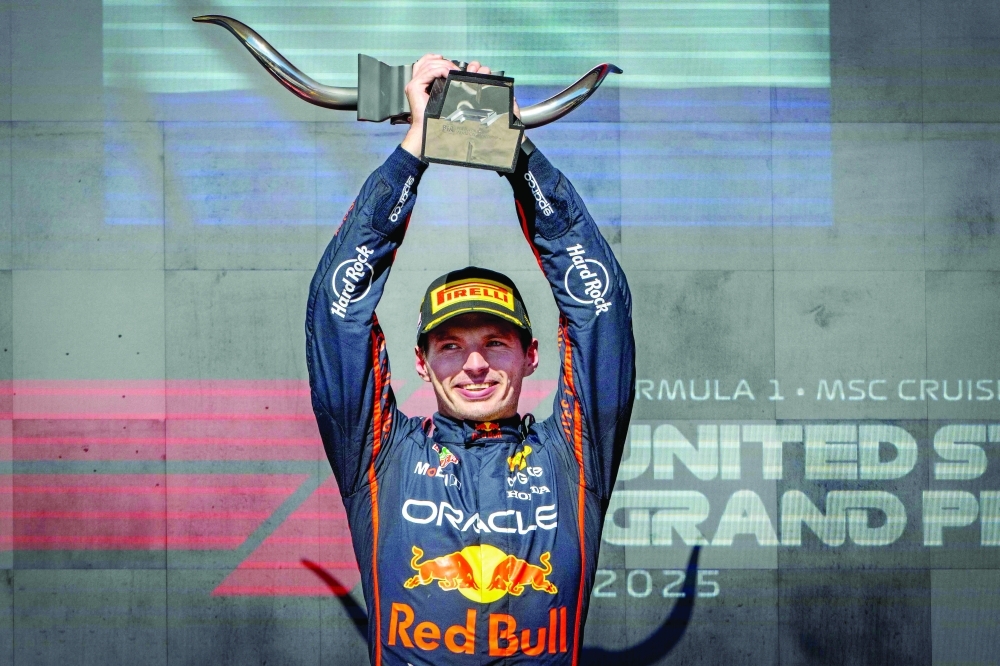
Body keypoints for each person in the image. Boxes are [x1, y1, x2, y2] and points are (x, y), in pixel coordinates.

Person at [306, 54, 635, 665]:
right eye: (451, 345)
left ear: (531, 355)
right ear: (422, 362)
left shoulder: (573, 456)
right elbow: (338, 311)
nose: (475, 364)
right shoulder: (378, 457)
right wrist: (415, 149)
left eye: (496, 342)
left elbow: (600, 307)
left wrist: (514, 150)